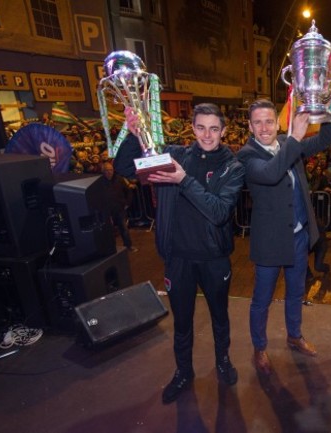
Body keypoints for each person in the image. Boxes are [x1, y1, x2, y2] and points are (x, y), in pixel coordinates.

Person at [123, 103, 245, 404]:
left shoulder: (233, 167)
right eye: (201, 127)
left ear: (223, 131)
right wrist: (132, 134)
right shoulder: (174, 156)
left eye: (214, 128)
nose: (207, 134)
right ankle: (183, 372)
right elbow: (125, 168)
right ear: (192, 128)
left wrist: (184, 180)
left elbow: (218, 212)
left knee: (219, 316)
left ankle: (223, 361)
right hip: (178, 258)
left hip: (214, 259)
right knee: (182, 322)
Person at [236, 99, 331, 375]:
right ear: (250, 126)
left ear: (277, 121)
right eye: (258, 122)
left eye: (269, 121)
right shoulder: (247, 155)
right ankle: (259, 347)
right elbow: (271, 173)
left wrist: (324, 106)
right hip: (269, 242)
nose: (265, 127)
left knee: (296, 292)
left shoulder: (287, 142)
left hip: (299, 236)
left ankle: (294, 335)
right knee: (262, 299)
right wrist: (294, 138)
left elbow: (326, 138)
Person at [101, 161, 137, 252]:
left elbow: (128, 191)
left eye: (111, 170)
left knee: (124, 229)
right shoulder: (99, 182)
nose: (109, 172)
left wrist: (127, 203)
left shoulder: (119, 179)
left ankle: (128, 246)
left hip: (120, 209)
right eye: (107, 170)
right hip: (107, 211)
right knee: (109, 231)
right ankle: (111, 249)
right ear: (103, 171)